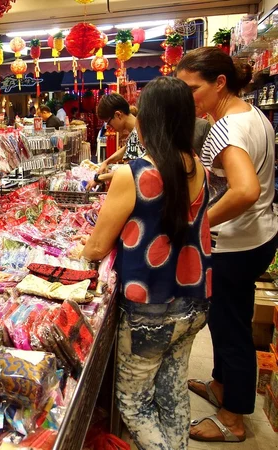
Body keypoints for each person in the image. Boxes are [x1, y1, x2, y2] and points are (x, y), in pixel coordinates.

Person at [81, 76, 211, 450]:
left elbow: (96, 247)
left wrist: (79, 253)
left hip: (150, 307)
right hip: (194, 298)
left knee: (133, 402)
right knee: (171, 391)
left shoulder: (133, 173)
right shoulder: (195, 166)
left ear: (149, 118)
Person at [177, 47, 278, 443]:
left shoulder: (226, 128)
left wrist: (197, 223)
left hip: (235, 244)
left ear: (220, 83)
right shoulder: (251, 115)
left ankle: (233, 419)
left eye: (193, 89)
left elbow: (246, 189)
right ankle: (221, 384)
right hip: (258, 236)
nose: (189, 99)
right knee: (225, 320)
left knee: (231, 326)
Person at [86, 94, 145, 190]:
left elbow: (130, 171)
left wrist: (99, 178)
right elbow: (127, 147)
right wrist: (106, 162)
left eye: (108, 122)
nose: (109, 127)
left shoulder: (140, 133)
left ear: (118, 115)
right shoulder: (138, 128)